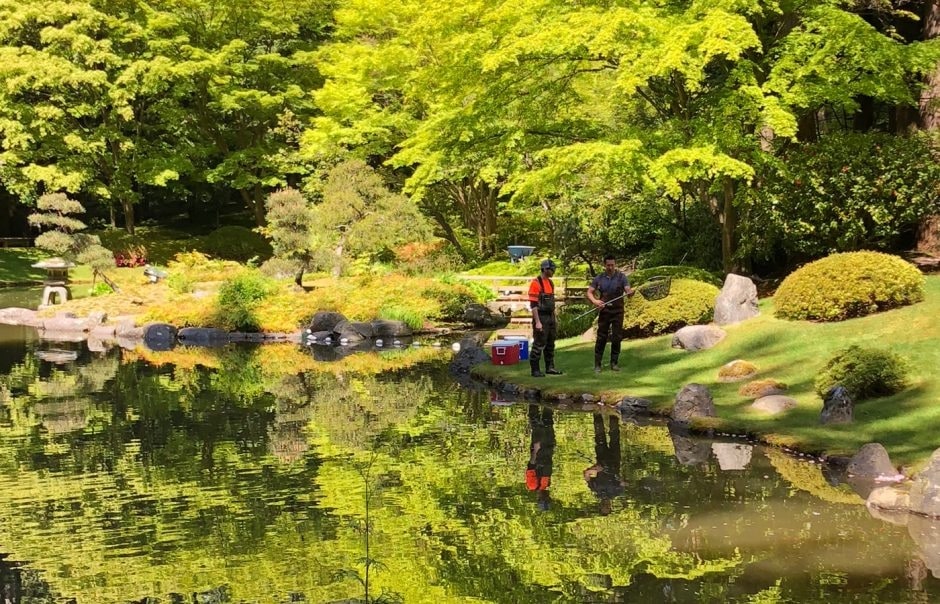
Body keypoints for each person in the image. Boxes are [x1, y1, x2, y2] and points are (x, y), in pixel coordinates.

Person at [585, 255, 634, 373]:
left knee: (616, 337)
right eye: (608, 265)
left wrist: (630, 292)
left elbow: (627, 289)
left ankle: (614, 363)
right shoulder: (599, 278)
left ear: (615, 264)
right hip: (604, 311)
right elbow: (589, 292)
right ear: (604, 265)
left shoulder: (622, 277)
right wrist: (595, 301)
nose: (610, 267)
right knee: (601, 337)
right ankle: (597, 365)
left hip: (618, 311)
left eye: (612, 265)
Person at [583, 412, 625, 516]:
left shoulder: (595, 489)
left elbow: (586, 474)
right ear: (610, 506)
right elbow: (625, 482)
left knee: (600, 436)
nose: (606, 505)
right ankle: (613, 413)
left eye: (604, 507)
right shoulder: (616, 492)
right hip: (615, 460)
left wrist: (595, 469)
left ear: (600, 506)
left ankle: (596, 413)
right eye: (607, 507)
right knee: (615, 437)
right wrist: (621, 480)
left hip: (602, 459)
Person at [528, 258, 562, 377]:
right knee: (539, 343)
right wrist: (537, 322)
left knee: (550, 343)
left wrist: (554, 318)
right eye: (552, 269)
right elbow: (533, 305)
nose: (553, 271)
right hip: (541, 317)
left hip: (550, 316)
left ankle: (550, 367)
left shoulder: (550, 283)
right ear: (545, 269)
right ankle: (535, 370)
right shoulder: (536, 283)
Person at [525, 404, 555, 511]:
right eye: (547, 498)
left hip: (539, 450)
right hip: (548, 448)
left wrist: (536, 450)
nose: (546, 496)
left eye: (544, 498)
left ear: (539, 498)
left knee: (536, 423)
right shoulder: (546, 484)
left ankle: (533, 401)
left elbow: (531, 466)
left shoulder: (533, 485)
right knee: (547, 422)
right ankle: (549, 402)